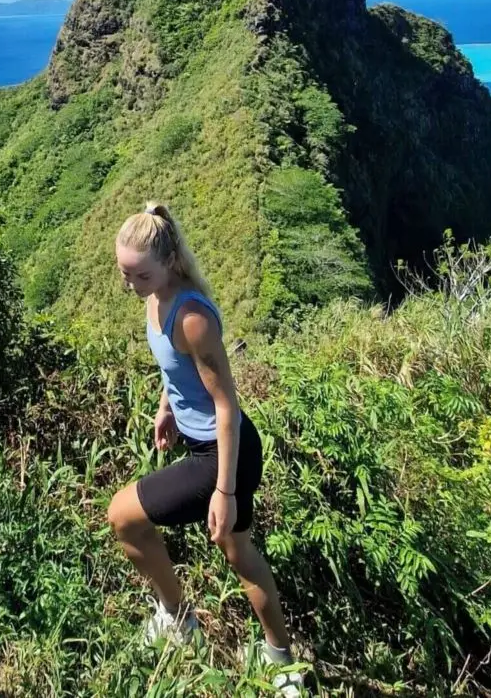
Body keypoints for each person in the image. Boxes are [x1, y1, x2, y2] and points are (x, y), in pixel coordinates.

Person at [108, 203, 302, 690]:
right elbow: (178, 369)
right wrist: (167, 406)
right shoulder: (156, 296)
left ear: (169, 262)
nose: (130, 285)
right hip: (203, 443)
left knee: (127, 517)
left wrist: (224, 490)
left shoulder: (191, 316)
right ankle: (212, 633)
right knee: (234, 547)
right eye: (124, 275)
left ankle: (274, 661)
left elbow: (226, 406)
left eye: (139, 275)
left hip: (224, 449)